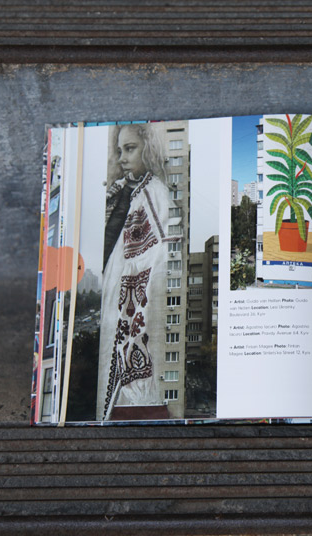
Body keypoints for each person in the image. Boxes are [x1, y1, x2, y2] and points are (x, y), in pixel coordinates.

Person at [98, 124, 176, 420]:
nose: (122, 158)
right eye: (120, 151)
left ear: (149, 148)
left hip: (137, 314)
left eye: (130, 149)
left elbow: (157, 260)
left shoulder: (155, 193)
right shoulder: (125, 192)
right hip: (115, 308)